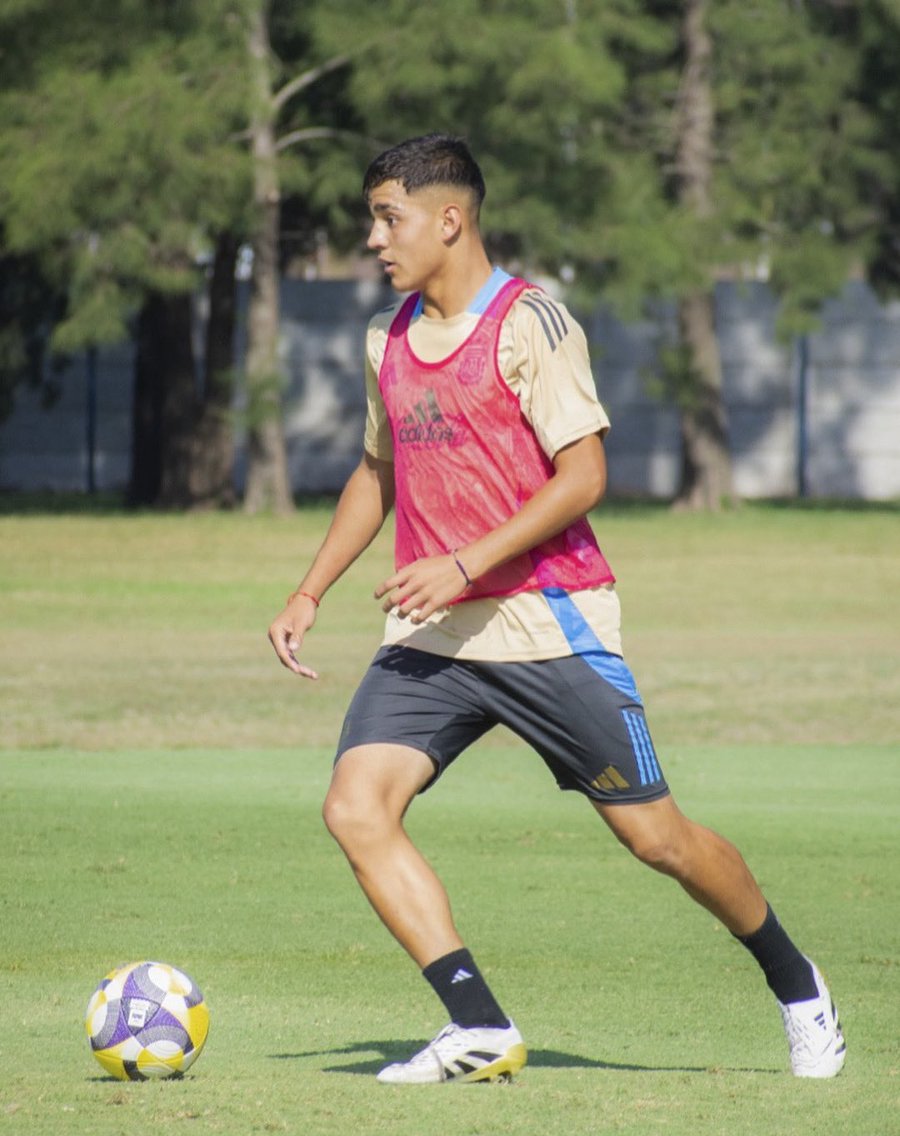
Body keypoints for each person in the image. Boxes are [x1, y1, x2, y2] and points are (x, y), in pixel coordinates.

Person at [268, 133, 846, 1085]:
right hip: (433, 634)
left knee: (657, 839)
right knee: (355, 808)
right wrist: (308, 590)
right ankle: (478, 1025)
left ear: (448, 219)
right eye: (373, 219)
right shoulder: (387, 337)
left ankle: (797, 983)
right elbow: (377, 472)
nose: (373, 239)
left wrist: (465, 562)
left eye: (387, 218)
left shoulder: (531, 322)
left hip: (548, 622)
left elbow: (584, 476)